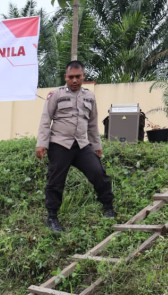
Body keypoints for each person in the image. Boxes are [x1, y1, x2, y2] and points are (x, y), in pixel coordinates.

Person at [36, 60, 116, 233]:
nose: (74, 80)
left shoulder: (89, 96)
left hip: (81, 144)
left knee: (98, 173)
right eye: (70, 77)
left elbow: (93, 123)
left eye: (78, 77)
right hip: (59, 144)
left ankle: (108, 207)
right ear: (65, 77)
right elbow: (45, 120)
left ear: (83, 76)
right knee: (55, 181)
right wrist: (41, 144)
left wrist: (96, 145)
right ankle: (52, 218)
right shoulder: (55, 94)